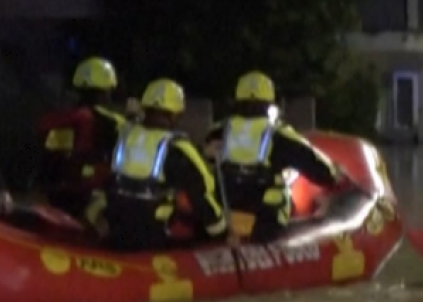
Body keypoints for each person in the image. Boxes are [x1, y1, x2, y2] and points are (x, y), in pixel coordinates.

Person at [204, 71, 352, 242]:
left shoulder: (218, 132)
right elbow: (315, 165)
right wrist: (337, 178)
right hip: (264, 213)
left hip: (224, 207)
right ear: (269, 104)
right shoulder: (279, 135)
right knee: (283, 199)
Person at [86, 78, 229, 251]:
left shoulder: (123, 135)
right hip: (152, 233)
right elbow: (202, 197)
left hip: (115, 223)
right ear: (175, 114)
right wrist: (222, 233)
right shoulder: (179, 148)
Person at [35, 57, 126, 218]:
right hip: (88, 195)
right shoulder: (110, 121)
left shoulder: (60, 117)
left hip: (52, 193)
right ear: (107, 89)